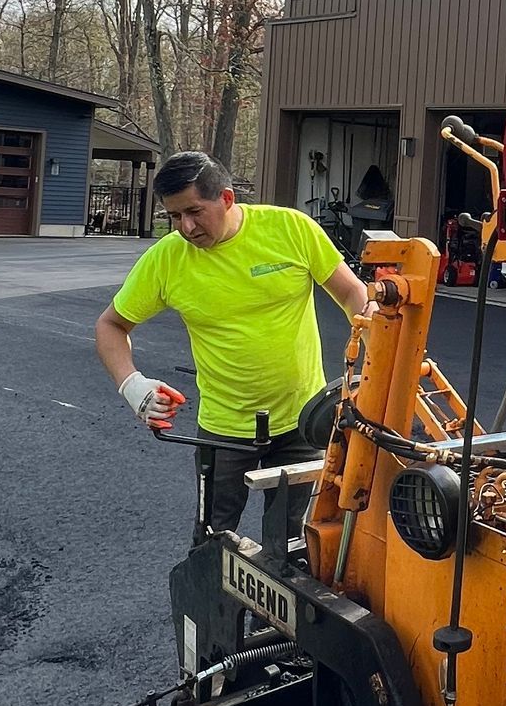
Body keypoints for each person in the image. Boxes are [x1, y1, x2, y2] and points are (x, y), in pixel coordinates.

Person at [95, 150, 370, 557]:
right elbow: (111, 326)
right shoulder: (167, 259)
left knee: (299, 546)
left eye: (194, 211)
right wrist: (132, 386)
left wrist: (370, 340)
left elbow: (351, 293)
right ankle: (207, 620)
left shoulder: (290, 229)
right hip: (224, 429)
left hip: (303, 422)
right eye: (174, 216)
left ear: (226, 198)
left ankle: (282, 620)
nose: (186, 228)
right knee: (210, 545)